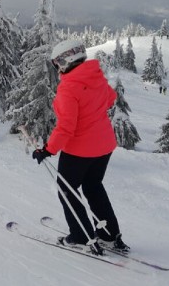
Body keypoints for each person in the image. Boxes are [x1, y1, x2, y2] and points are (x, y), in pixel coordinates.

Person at [31, 39, 129, 255]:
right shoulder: (95, 77)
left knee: (67, 190)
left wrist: (47, 149)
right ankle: (110, 236)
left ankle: (81, 237)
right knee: (93, 187)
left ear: (66, 61)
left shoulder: (68, 88)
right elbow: (110, 99)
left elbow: (66, 127)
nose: (57, 68)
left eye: (57, 63)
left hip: (80, 151)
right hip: (104, 147)